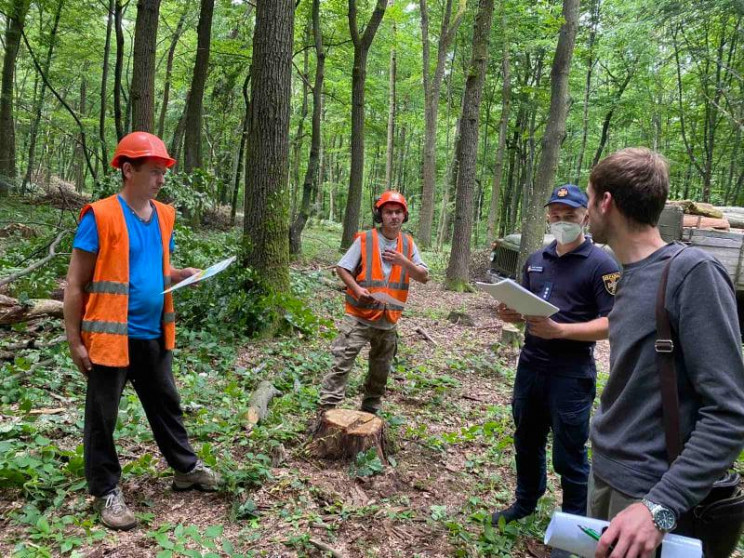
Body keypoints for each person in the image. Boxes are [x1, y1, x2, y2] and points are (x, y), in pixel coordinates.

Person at [585, 147, 744, 557]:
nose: (585, 211)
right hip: (609, 475)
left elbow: (729, 412)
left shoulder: (693, 274)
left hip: (649, 497)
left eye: (588, 198)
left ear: (606, 202)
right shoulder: (628, 275)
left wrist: (660, 507)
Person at [63, 132, 221, 531]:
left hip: (152, 334)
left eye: (164, 171)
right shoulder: (99, 216)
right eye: (154, 171)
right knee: (102, 418)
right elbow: (76, 284)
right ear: (128, 170)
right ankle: (106, 492)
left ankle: (185, 470)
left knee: (166, 403)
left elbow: (152, 269)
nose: (161, 179)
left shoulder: (164, 216)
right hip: (109, 338)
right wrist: (74, 341)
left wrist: (180, 274)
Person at [491, 184, 620, 549]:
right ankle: (525, 502)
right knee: (526, 439)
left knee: (570, 453)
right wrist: (511, 313)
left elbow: (613, 323)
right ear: (549, 215)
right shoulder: (536, 259)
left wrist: (561, 329)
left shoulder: (602, 265)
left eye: (571, 215)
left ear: (586, 216)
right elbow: (527, 308)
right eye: (556, 214)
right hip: (531, 366)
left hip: (571, 372)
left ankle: (573, 531)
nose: (562, 221)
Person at [319, 191, 429, 414]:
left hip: (388, 320)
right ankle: (326, 410)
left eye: (398, 212)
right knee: (341, 363)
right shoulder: (366, 239)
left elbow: (423, 276)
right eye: (389, 212)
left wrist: (403, 261)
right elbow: (342, 268)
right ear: (381, 215)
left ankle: (370, 411)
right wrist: (357, 289)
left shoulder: (407, 244)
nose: (394, 217)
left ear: (404, 216)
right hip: (359, 317)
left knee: (380, 370)